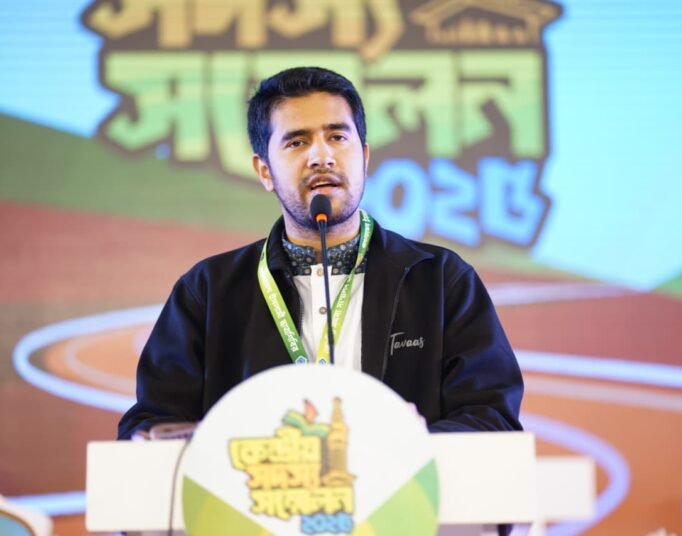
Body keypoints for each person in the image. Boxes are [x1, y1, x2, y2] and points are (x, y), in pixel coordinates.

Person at [118, 66, 524, 440]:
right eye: (297, 141)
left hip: (405, 494)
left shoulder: (439, 279)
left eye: (337, 137)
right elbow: (150, 424)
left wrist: (410, 444)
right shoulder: (208, 290)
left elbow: (492, 417)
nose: (321, 156)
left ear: (364, 157)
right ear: (264, 171)